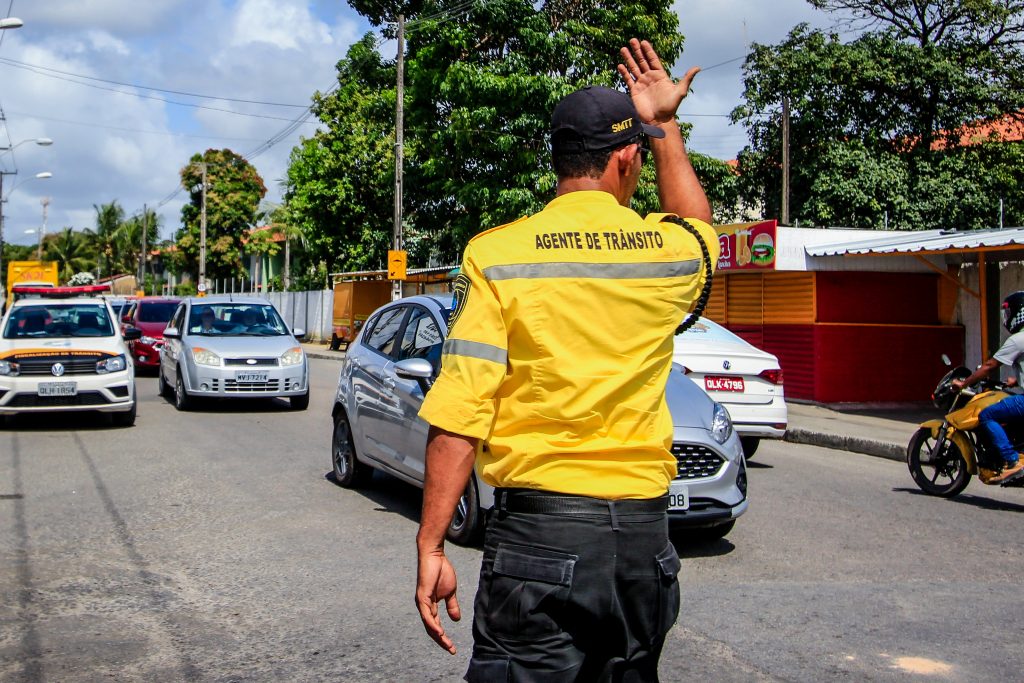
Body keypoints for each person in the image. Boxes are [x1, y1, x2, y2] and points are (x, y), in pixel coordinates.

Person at [414, 38, 718, 681]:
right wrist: (664, 125)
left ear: (558, 159)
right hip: (643, 541)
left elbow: (463, 409)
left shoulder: (498, 254)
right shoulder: (661, 255)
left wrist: (432, 542)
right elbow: (699, 228)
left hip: (539, 539)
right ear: (628, 159)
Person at [952, 291, 1024, 484]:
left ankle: (1012, 460)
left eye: (1008, 314)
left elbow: (990, 366)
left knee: (987, 415)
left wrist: (964, 383)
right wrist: (1016, 382)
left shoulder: (1018, 339)